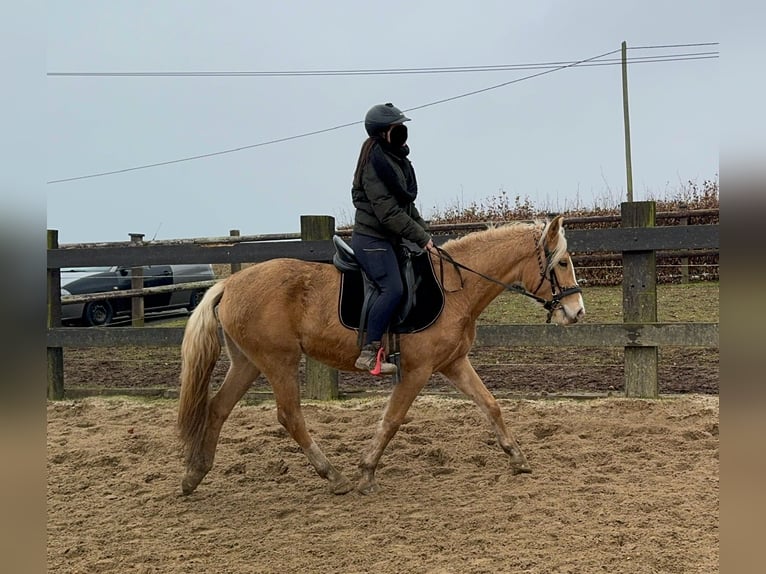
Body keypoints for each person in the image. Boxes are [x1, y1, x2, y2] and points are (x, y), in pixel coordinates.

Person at [350, 102, 434, 375]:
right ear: (383, 132)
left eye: (402, 127)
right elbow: (388, 213)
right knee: (393, 289)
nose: (402, 132)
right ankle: (369, 350)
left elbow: (407, 208)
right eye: (396, 128)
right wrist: (419, 237)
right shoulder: (374, 165)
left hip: (390, 239)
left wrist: (427, 237)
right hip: (372, 238)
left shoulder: (396, 161)